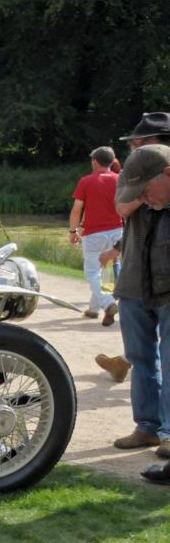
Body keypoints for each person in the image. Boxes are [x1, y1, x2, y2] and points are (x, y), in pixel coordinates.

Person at [92, 113, 170, 386]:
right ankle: (148, 426)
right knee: (141, 354)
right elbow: (122, 208)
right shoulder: (130, 173)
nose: (134, 150)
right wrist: (144, 190)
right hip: (136, 277)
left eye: (140, 144)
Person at [68, 146, 123, 324]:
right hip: (117, 231)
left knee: (92, 272)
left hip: (94, 233)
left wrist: (73, 231)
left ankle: (107, 303)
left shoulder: (86, 181)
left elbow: (77, 210)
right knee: (106, 271)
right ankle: (93, 309)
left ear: (95, 161)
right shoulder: (120, 179)